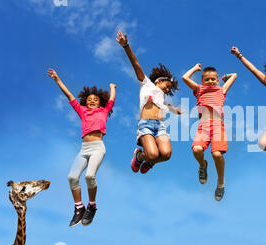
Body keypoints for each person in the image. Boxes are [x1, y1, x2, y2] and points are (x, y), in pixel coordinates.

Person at [47, 68, 116, 227]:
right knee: (72, 178)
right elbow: (70, 96)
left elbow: (112, 99)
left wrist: (112, 87)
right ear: (85, 101)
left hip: (98, 147)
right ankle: (79, 207)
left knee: (89, 176)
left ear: (100, 103)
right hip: (84, 149)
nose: (92, 101)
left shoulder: (104, 111)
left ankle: (92, 206)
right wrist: (57, 79)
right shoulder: (82, 111)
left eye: (95, 99)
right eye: (89, 99)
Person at [116, 30, 182, 174]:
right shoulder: (146, 84)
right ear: (160, 81)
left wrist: (176, 110)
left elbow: (167, 107)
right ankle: (140, 156)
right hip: (145, 123)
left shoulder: (162, 99)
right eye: (167, 86)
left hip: (160, 126)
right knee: (152, 154)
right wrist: (126, 45)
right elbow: (136, 64)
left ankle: (150, 162)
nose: (166, 90)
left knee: (166, 154)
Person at [182, 64, 237, 201]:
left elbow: (234, 75)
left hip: (218, 125)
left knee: (217, 154)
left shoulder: (221, 89)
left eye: (213, 79)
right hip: (203, 126)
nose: (211, 81)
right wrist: (195, 68)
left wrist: (224, 77)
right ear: (202, 81)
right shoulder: (199, 90)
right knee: (197, 150)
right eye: (207, 79)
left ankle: (220, 182)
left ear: (217, 80)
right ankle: (203, 165)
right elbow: (185, 77)